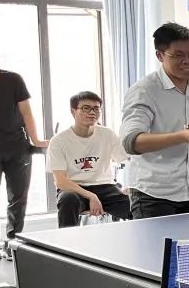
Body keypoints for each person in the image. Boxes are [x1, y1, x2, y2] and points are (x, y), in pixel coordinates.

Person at [120, 23, 189, 219]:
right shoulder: (144, 91)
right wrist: (182, 136)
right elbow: (131, 142)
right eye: (178, 55)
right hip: (153, 195)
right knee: (157, 243)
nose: (187, 61)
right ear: (160, 55)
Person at [0, 40, 47, 264]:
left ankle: (12, 241)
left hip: (18, 147)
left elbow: (27, 112)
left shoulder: (13, 79)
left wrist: (36, 140)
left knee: (18, 196)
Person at [46, 91, 131, 228]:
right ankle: (67, 240)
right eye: (86, 108)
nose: (92, 112)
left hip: (106, 188)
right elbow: (61, 181)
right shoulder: (58, 141)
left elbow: (130, 159)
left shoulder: (107, 134)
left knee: (137, 204)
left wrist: (134, 187)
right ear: (73, 111)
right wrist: (91, 196)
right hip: (74, 189)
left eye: (96, 108)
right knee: (68, 200)